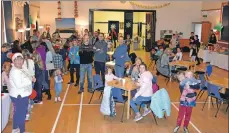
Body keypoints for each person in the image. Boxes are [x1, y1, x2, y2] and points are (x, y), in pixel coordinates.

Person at [9, 53, 36, 133]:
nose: (19, 61)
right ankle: (22, 131)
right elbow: (19, 85)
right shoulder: (15, 71)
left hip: (22, 95)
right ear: (13, 61)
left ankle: (15, 129)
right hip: (19, 96)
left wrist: (31, 77)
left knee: (17, 113)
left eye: (21, 59)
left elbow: (28, 74)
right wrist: (30, 80)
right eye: (17, 60)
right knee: (21, 114)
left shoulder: (22, 68)